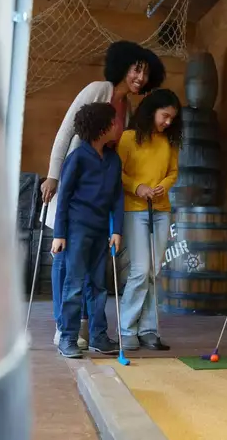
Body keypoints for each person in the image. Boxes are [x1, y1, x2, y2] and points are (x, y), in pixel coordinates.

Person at [42, 40, 165, 351]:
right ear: (123, 66)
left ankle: (88, 330)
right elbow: (65, 131)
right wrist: (54, 175)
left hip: (100, 191)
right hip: (77, 184)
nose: (140, 77)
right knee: (65, 263)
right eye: (136, 69)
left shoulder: (129, 108)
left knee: (93, 277)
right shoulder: (99, 90)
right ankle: (63, 328)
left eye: (146, 73)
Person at [50, 102, 124, 358]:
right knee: (74, 285)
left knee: (99, 286)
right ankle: (68, 337)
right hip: (77, 229)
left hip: (101, 229)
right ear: (101, 128)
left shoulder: (114, 159)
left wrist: (118, 230)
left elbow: (117, 197)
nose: (118, 126)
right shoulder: (78, 158)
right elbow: (64, 196)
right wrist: (60, 234)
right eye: (114, 122)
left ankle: (99, 336)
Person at [116, 89, 183, 351]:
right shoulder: (128, 138)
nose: (168, 122)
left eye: (172, 119)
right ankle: (127, 328)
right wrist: (138, 187)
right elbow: (118, 172)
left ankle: (149, 330)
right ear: (151, 111)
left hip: (161, 210)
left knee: (154, 271)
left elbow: (173, 172)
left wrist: (163, 187)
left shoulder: (169, 142)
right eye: (164, 116)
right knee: (140, 270)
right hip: (135, 210)